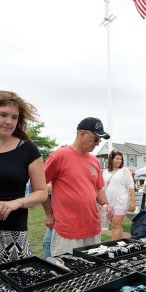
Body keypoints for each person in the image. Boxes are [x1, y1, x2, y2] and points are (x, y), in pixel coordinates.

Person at [42, 117, 110, 256]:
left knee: (92, 269)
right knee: (66, 271)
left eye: (100, 140)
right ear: (82, 133)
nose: (97, 144)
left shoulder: (94, 161)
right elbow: (39, 185)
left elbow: (98, 188)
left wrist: (105, 204)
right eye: (95, 139)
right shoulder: (59, 156)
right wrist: (49, 214)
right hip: (67, 229)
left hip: (92, 226)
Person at [0, 90, 47, 264]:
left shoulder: (28, 149)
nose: (9, 121)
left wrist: (15, 203)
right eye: (3, 115)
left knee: (12, 289)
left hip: (13, 235)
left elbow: (42, 192)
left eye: (14, 117)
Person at [103, 150, 136, 240]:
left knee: (115, 224)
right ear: (111, 159)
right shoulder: (105, 172)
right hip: (109, 203)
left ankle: (113, 247)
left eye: (120, 159)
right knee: (116, 225)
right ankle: (122, 245)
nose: (119, 161)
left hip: (121, 201)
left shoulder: (124, 171)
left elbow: (131, 186)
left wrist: (132, 202)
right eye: (117, 158)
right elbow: (102, 187)